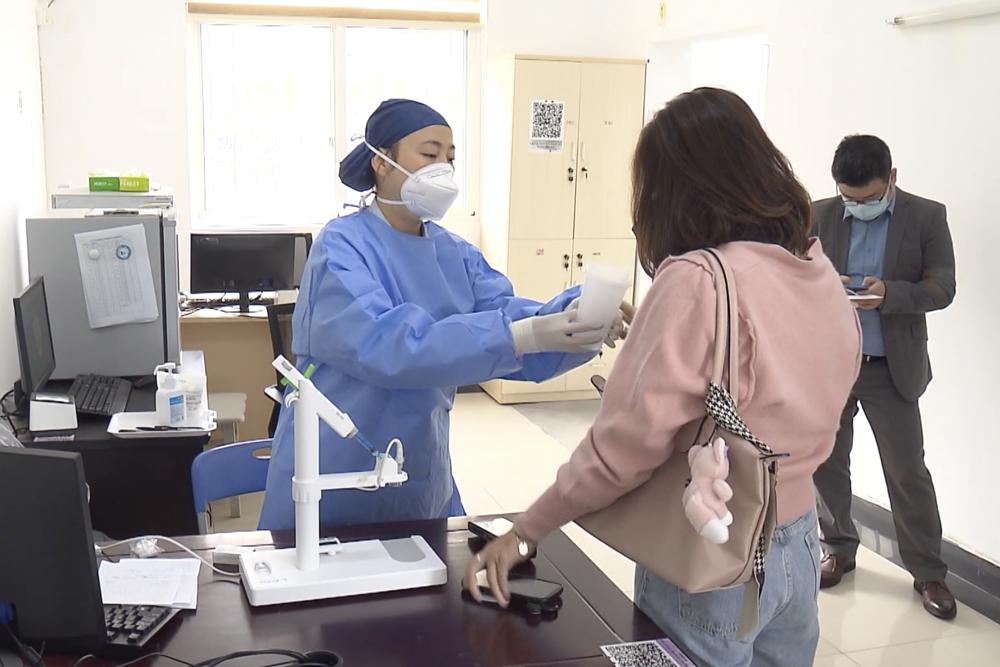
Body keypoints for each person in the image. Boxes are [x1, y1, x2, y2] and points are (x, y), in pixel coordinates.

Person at [464, 87, 862, 667]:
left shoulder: (698, 279)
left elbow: (621, 451)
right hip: (798, 541)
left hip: (711, 551)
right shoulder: (816, 266)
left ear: (672, 188)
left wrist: (526, 531)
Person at [259, 99, 622, 530]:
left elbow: (510, 318)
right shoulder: (340, 247)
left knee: (427, 563)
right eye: (429, 154)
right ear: (382, 162)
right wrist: (523, 334)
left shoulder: (455, 254)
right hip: (334, 467)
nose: (444, 169)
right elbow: (389, 346)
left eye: (450, 158)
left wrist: (579, 317)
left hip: (418, 467)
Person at [811, 135, 958, 619]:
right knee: (826, 462)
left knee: (907, 470)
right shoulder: (818, 214)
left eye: (869, 198)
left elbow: (943, 286)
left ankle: (929, 571)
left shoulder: (927, 216)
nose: (857, 206)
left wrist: (890, 294)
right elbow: (791, 274)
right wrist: (822, 286)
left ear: (892, 178)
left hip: (891, 366)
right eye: (849, 198)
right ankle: (838, 547)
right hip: (832, 363)